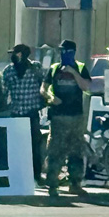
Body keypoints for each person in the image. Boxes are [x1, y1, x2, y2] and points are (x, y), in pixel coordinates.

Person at [41, 39, 92, 197]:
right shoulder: (54, 68)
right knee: (55, 151)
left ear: (73, 52)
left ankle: (75, 184)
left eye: (67, 51)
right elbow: (43, 88)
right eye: (61, 51)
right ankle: (52, 184)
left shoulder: (81, 67)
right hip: (58, 117)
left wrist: (73, 72)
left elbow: (86, 87)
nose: (63, 54)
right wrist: (51, 98)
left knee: (76, 151)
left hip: (76, 116)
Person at [2, 43, 45, 184]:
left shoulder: (36, 68)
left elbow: (43, 87)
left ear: (21, 55)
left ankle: (36, 175)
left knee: (35, 147)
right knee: (15, 147)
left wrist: (44, 102)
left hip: (32, 113)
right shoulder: (8, 70)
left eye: (15, 53)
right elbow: (4, 92)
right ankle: (16, 174)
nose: (12, 56)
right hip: (15, 114)